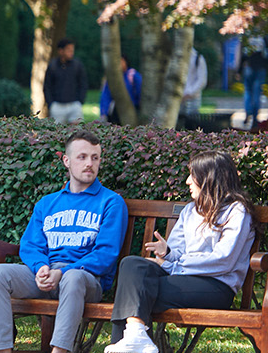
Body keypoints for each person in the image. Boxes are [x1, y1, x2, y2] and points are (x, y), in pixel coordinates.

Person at [0, 131, 128, 353]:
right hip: (47, 276)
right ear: (66, 161)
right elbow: (31, 245)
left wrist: (63, 271)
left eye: (95, 157)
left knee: (73, 277)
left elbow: (106, 254)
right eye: (82, 157)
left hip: (84, 280)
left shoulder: (111, 202)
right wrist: (40, 268)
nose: (89, 164)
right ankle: (3, 350)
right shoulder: (47, 203)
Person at [104, 151, 256, 353]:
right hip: (181, 278)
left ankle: (136, 340)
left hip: (216, 286)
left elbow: (224, 260)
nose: (187, 181)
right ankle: (136, 336)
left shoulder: (236, 211)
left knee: (133, 292)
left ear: (208, 178)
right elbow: (176, 253)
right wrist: (167, 253)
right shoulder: (191, 210)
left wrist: (174, 264)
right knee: (131, 264)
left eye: (192, 175)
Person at [44, 38, 88, 124]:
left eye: (72, 50)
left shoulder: (77, 65)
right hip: (57, 105)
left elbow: (83, 84)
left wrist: (80, 101)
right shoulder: (53, 66)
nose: (71, 52)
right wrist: (51, 104)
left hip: (74, 104)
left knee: (76, 131)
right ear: (61, 51)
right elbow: (47, 86)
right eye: (68, 50)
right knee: (57, 133)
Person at [99, 56, 142, 125]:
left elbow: (139, 92)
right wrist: (103, 112)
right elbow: (105, 96)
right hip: (115, 111)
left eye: (121, 61)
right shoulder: (111, 77)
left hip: (133, 108)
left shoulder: (132, 75)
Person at [240, 36, 267, 129]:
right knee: (256, 94)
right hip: (260, 68)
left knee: (248, 92)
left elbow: (243, 54)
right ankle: (254, 118)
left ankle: (248, 113)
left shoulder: (248, 34)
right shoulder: (264, 37)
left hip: (249, 66)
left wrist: (239, 70)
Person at [180, 48, 207, 118]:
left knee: (192, 121)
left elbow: (202, 80)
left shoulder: (197, 58)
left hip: (193, 98)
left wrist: (189, 93)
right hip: (178, 97)